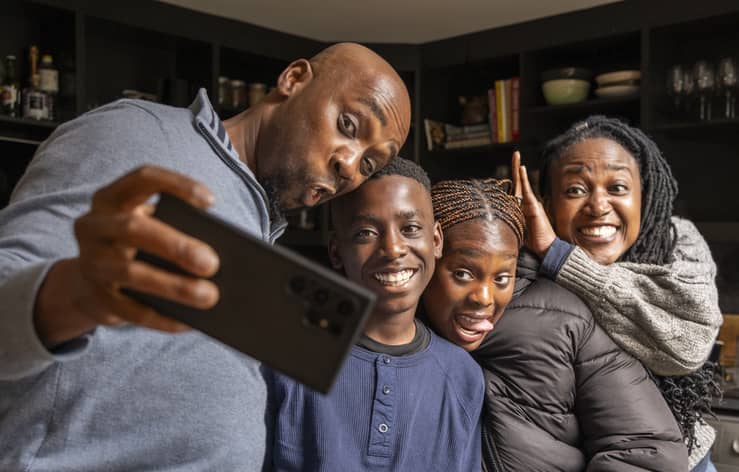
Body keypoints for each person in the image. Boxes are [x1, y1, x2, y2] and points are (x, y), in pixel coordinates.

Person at [0, 43, 411, 470]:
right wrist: (69, 293)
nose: (350, 166)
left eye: (369, 163)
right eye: (348, 125)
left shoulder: (261, 223)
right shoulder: (139, 133)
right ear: (294, 79)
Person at [422, 178, 688, 471]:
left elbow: (647, 453)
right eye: (462, 274)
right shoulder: (391, 330)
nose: (484, 298)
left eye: (501, 278)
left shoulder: (567, 318)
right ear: (429, 252)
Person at [515, 115, 722, 471]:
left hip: (687, 462)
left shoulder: (676, 240)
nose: (598, 205)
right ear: (547, 204)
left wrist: (560, 258)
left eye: (618, 188)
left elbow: (688, 343)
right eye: (576, 190)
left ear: (645, 196)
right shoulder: (520, 270)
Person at [265, 158, 484, 471]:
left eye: (410, 228)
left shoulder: (463, 376)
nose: (393, 248)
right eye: (365, 233)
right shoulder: (288, 359)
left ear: (435, 240)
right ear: (337, 251)